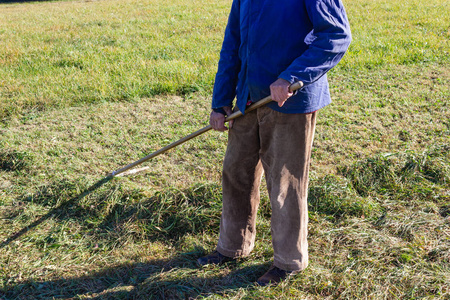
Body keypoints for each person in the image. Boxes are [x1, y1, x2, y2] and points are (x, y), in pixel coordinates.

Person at [198, 0, 352, 286]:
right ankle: (233, 246)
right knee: (236, 173)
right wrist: (220, 102)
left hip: (289, 102)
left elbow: (336, 36)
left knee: (285, 183)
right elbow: (232, 44)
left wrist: (291, 77)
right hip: (247, 100)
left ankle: (288, 262)